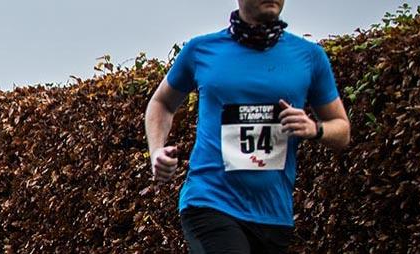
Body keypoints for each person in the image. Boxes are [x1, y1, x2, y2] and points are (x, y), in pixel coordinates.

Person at [145, 1, 353, 253]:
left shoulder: (309, 57)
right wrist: (156, 150)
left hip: (274, 214)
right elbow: (162, 103)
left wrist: (315, 129)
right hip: (210, 201)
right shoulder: (201, 50)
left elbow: (341, 130)